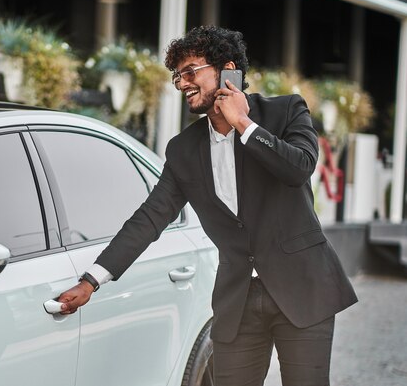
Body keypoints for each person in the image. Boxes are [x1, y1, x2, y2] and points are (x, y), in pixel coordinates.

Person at [58, 25, 358, 386]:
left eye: (190, 72)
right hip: (238, 301)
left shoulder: (285, 111)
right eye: (177, 76)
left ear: (227, 69)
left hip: (303, 287)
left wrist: (243, 124)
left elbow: (299, 169)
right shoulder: (184, 150)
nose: (182, 83)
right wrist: (93, 280)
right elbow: (150, 217)